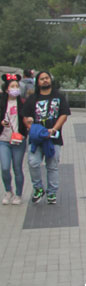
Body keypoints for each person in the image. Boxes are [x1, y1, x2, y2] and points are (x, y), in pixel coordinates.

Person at [25, 70, 70, 205]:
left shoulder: (59, 97)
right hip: (37, 138)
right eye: (42, 79)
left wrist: (54, 129)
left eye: (47, 78)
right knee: (33, 162)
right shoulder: (32, 98)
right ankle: (38, 188)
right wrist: (30, 125)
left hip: (53, 138)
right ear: (37, 82)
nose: (45, 80)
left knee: (52, 165)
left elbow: (64, 114)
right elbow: (25, 116)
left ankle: (52, 192)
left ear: (50, 80)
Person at [0, 73, 27, 205]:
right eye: (12, 86)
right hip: (3, 140)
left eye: (17, 86)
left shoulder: (22, 103)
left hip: (18, 140)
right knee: (5, 167)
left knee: (17, 168)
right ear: (6, 89)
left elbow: (28, 119)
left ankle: (18, 194)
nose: (15, 88)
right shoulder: (1, 102)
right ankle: (8, 190)